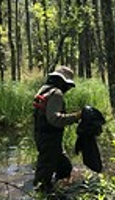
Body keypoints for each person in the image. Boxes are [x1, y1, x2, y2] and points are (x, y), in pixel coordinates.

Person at [33, 65, 82, 193]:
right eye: (67, 85)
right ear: (61, 81)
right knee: (44, 174)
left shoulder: (44, 89)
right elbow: (55, 119)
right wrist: (76, 116)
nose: (68, 89)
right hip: (50, 137)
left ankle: (60, 190)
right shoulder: (56, 94)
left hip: (41, 135)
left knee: (65, 167)